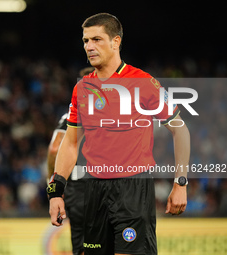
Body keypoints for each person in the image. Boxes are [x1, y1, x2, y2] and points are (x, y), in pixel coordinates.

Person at [47, 13, 190, 255]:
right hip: (93, 190)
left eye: (96, 39)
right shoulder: (82, 88)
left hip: (133, 188)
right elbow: (70, 144)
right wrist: (55, 192)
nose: (89, 46)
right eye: (85, 41)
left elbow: (181, 131)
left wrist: (181, 182)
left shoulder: (144, 83)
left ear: (116, 42)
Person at [47, 67, 94, 255]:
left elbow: (54, 149)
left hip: (75, 187)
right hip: (102, 184)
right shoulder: (110, 115)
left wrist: (54, 183)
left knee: (80, 245)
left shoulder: (68, 117)